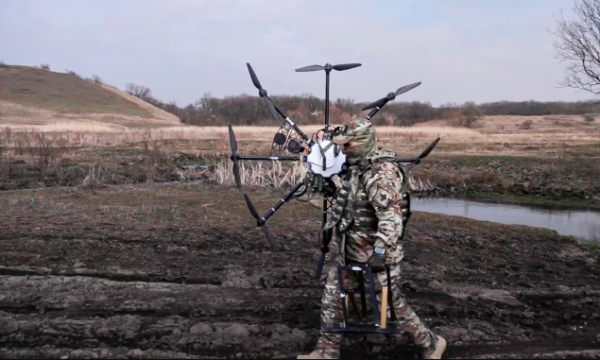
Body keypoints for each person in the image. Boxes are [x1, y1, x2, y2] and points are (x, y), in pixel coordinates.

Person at [297, 118, 446, 359]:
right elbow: (351, 202)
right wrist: (327, 187)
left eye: (348, 144)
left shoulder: (381, 174)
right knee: (334, 299)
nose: (343, 149)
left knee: (391, 307)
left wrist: (380, 252)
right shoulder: (356, 168)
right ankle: (326, 352)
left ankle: (431, 344)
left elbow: (391, 217)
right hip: (350, 252)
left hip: (377, 256)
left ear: (363, 142)